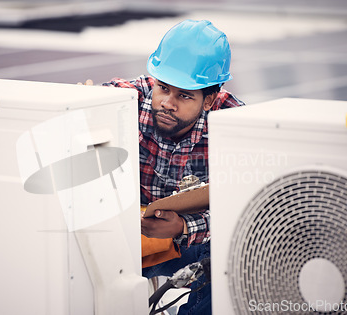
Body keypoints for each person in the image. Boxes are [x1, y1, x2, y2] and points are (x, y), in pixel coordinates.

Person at [102, 19, 244, 314]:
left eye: (184, 95)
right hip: (126, 236)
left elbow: (244, 210)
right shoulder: (127, 98)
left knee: (233, 258)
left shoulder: (235, 125)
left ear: (210, 100)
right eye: (163, 88)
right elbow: (76, 107)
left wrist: (183, 226)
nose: (167, 102)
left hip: (192, 242)